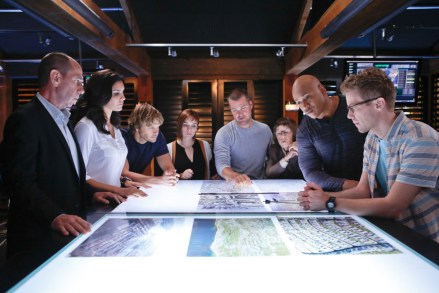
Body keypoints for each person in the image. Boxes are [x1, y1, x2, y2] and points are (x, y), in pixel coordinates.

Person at [0, 52, 124, 280]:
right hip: (37, 240)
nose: (82, 89)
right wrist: (55, 215)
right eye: (77, 81)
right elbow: (18, 182)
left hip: (68, 233)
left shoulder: (65, 120)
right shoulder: (25, 119)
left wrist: (91, 194)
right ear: (55, 78)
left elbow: (69, 174)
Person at [298, 68, 439, 243]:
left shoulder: (420, 139)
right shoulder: (372, 138)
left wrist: (330, 202)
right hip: (397, 234)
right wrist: (320, 196)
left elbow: (393, 206)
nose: (349, 116)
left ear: (379, 104)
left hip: (427, 240)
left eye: (353, 108)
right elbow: (363, 191)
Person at [74, 69, 146, 197]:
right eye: (116, 93)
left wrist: (124, 181)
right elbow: (78, 174)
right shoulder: (86, 127)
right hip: (96, 203)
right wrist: (117, 190)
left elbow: (111, 170)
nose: (123, 97)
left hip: (117, 201)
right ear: (100, 95)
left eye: (122, 92)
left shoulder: (116, 128)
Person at [292, 75, 367, 191]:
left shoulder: (351, 107)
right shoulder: (304, 130)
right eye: (299, 102)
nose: (304, 106)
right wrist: (354, 186)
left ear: (322, 90)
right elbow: (310, 172)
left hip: (375, 188)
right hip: (336, 193)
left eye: (307, 97)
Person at [214, 88, 272, 185]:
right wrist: (234, 176)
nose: (239, 114)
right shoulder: (223, 133)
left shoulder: (265, 130)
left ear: (251, 105)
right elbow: (221, 164)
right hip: (233, 184)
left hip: (261, 183)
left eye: (243, 108)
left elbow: (274, 157)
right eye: (234, 110)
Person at [121, 102, 179, 185]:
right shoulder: (122, 138)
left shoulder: (158, 137)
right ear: (137, 127)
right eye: (151, 127)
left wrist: (170, 176)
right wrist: (158, 180)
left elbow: (168, 167)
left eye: (158, 127)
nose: (156, 131)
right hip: (114, 186)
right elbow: (124, 173)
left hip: (137, 185)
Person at [167, 109, 213, 180]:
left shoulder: (205, 145)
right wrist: (180, 176)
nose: (189, 130)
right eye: (185, 125)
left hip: (203, 190)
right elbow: (164, 178)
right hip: (179, 191)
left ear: (197, 128)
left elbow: (211, 170)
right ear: (179, 126)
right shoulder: (169, 148)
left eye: (193, 126)